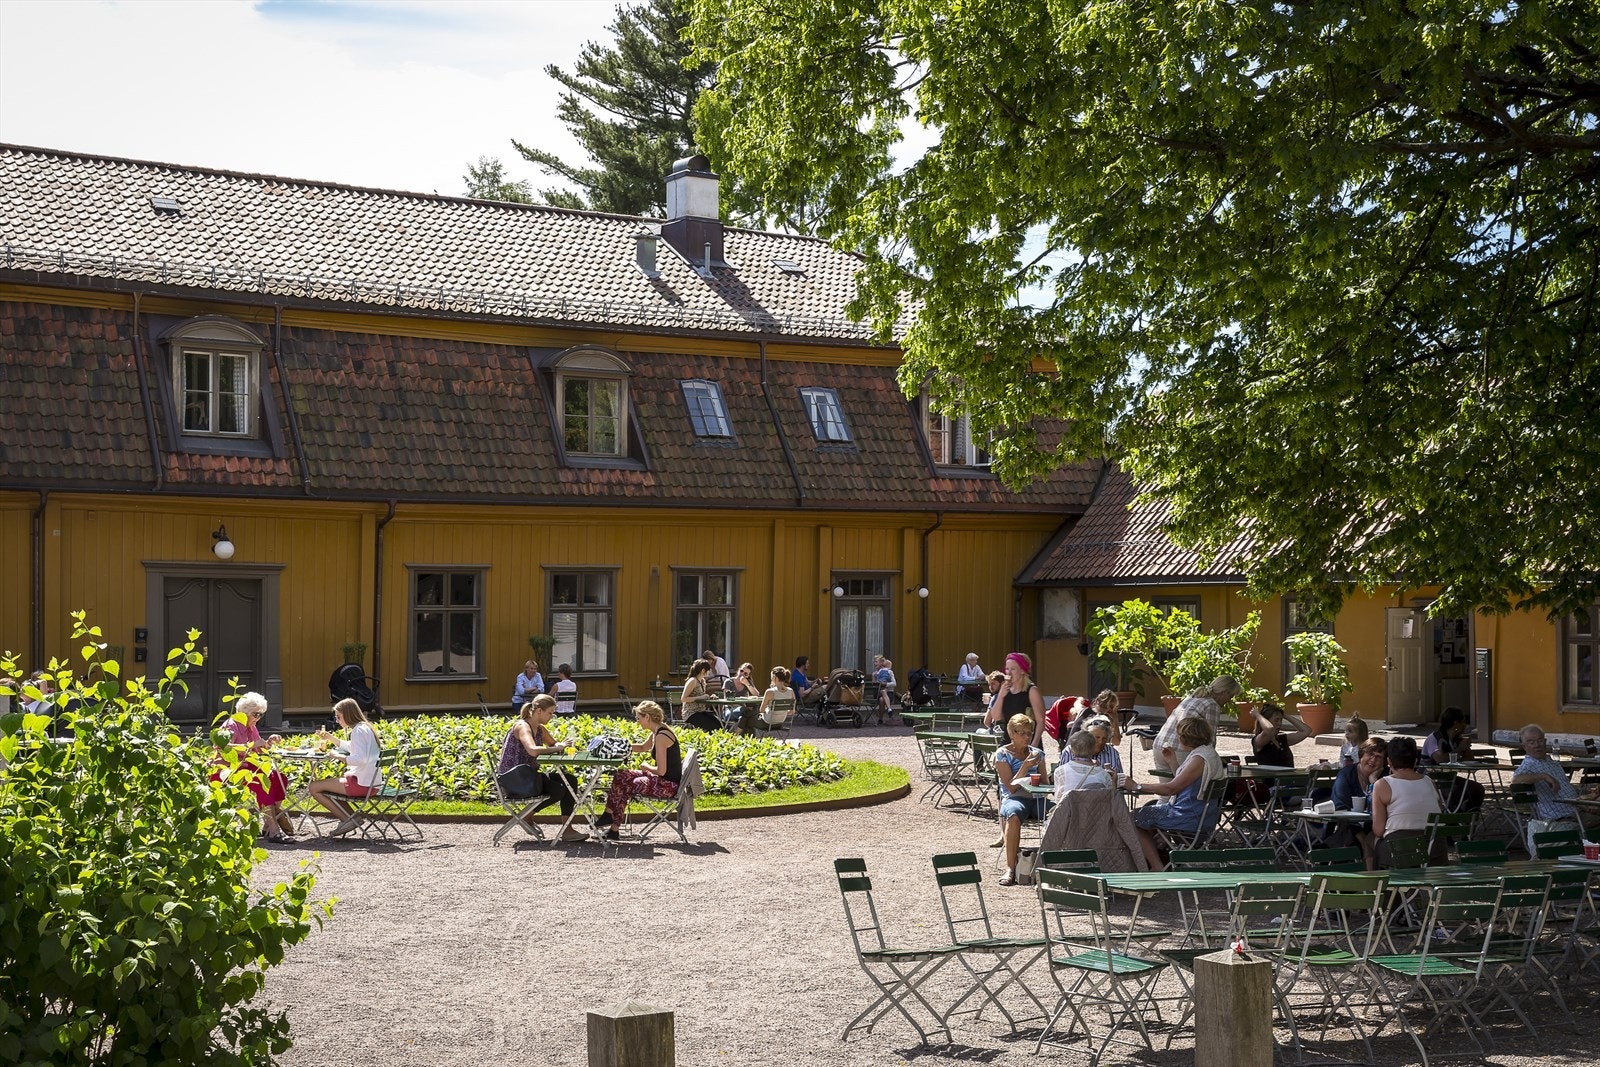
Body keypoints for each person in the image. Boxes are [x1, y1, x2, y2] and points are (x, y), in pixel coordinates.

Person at [1123, 715, 1223, 871]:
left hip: (1187, 816)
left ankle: (1156, 866)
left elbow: (1171, 789)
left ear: (1184, 737)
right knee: (1149, 810)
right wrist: (1172, 762)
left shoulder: (1199, 758)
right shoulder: (1207, 753)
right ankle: (1160, 853)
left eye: (1178, 735)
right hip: (1203, 814)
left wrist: (1137, 786)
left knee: (1133, 817)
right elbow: (1185, 782)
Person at [496, 694, 586, 840]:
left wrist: (561, 745)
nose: (551, 716)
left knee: (570, 780)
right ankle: (527, 814)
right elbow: (532, 749)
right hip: (515, 780)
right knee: (558, 789)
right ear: (539, 711)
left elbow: (553, 744)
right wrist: (558, 748)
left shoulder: (540, 729)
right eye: (550, 713)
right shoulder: (522, 727)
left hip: (528, 777)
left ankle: (567, 829)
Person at [598, 700, 681, 841]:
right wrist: (618, 746)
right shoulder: (658, 731)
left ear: (647, 717)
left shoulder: (661, 737)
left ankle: (612, 825)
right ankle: (609, 817)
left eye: (638, 718)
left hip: (667, 785)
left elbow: (661, 771)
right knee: (621, 776)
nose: (637, 722)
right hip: (661, 780)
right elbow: (643, 748)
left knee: (629, 783)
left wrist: (646, 767)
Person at [308, 697, 382, 836]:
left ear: (348, 715)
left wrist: (337, 756)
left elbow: (360, 759)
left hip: (362, 784)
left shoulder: (358, 731)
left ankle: (346, 819)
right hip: (372, 783)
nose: (337, 720)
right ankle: (351, 818)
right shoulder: (364, 727)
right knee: (328, 784)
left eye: (339, 717)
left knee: (314, 787)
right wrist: (330, 738)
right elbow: (352, 747)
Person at [225, 691, 293, 840]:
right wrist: (251, 745)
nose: (258, 718)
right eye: (256, 714)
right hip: (233, 769)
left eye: (261, 715)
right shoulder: (231, 725)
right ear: (244, 713)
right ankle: (274, 829)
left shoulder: (251, 726)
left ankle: (267, 825)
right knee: (262, 781)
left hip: (250, 765)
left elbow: (258, 748)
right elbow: (224, 747)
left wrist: (269, 742)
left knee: (280, 778)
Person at [1511, 724, 1600, 831]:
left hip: (1578, 810)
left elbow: (1566, 790)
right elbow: (1515, 781)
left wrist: (1589, 798)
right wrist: (1543, 776)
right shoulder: (1529, 765)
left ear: (1545, 741)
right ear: (1524, 746)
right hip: (1562, 818)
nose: (1536, 745)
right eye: (1531, 742)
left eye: (1539, 740)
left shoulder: (1551, 762)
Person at [994, 713, 1048, 886]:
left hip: (1037, 797)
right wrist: (1025, 767)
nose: (1027, 737)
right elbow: (1010, 787)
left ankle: (1053, 864)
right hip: (1014, 797)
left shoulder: (1037, 754)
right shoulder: (1002, 754)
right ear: (1012, 734)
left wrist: (1046, 782)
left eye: (1029, 733)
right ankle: (1010, 868)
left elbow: (1046, 783)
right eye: (1022, 733)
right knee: (1014, 815)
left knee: (1060, 812)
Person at [1370, 735, 1441, 867]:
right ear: (1415, 761)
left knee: (1371, 841)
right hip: (1435, 848)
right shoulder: (1429, 782)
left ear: (1389, 762)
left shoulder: (1382, 784)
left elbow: (1379, 830)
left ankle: (1374, 884)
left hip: (1399, 848)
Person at [1153, 676, 1240, 773]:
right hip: (1180, 750)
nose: (1229, 700)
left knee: (1168, 787)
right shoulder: (1212, 704)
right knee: (1188, 786)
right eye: (1231, 696)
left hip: (1160, 746)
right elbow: (1210, 738)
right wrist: (1214, 760)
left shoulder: (1192, 697)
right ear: (1225, 693)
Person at [1330, 737, 1388, 868]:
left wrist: (1374, 782)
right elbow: (1340, 806)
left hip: (1376, 828)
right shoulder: (1346, 774)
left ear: (1385, 762)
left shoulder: (1385, 778)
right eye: (1370, 754)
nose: (1373, 760)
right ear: (1361, 754)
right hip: (1349, 828)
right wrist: (1363, 840)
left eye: (1379, 757)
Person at [1422, 706, 1484, 810]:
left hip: (1449, 777)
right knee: (1456, 792)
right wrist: (1459, 749)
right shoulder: (1435, 738)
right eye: (1463, 722)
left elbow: (1470, 759)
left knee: (1477, 789)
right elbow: (1440, 759)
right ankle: (1451, 819)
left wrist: (1464, 748)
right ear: (1456, 723)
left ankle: (1469, 818)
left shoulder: (1457, 738)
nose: (1465, 725)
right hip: (1432, 777)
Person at [984, 652, 1047, 748]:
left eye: (1013, 669)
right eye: (1007, 669)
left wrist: (1034, 744)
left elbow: (1041, 721)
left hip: (1027, 743)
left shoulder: (1031, 691)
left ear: (1022, 671)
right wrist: (1000, 696)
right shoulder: (1005, 690)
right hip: (1008, 743)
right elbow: (996, 717)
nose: (1008, 673)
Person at [1053, 730, 1113, 801]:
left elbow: (1058, 800)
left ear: (1071, 749)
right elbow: (1110, 799)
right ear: (1094, 749)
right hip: (1096, 811)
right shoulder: (1103, 774)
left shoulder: (1060, 772)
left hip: (1070, 811)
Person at [1252, 703, 1310, 767]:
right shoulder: (1258, 741)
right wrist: (1258, 715)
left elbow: (1306, 731)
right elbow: (1269, 729)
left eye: (1281, 720)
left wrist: (1284, 715)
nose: (1279, 723)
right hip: (1270, 776)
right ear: (1266, 721)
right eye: (1276, 720)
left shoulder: (1282, 739)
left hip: (1288, 776)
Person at [679, 658, 719, 729]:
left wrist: (709, 697)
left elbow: (700, 696)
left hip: (700, 711)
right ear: (703, 670)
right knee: (713, 726)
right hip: (691, 713)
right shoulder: (693, 681)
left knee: (720, 723)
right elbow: (683, 699)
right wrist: (700, 698)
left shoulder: (702, 681)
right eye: (708, 670)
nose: (709, 672)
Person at [755, 666, 795, 730]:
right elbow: (792, 711)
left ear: (774, 677)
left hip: (767, 723)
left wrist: (767, 711)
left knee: (747, 717)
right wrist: (781, 712)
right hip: (780, 723)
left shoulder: (770, 692)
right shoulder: (791, 691)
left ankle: (747, 738)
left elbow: (761, 710)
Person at [874, 657, 897, 724]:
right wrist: (873, 677)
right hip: (878, 692)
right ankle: (889, 709)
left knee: (882, 699)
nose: (875, 664)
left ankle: (880, 719)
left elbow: (894, 683)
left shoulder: (889, 672)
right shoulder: (876, 673)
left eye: (876, 662)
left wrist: (886, 684)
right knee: (882, 693)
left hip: (889, 693)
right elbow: (874, 685)